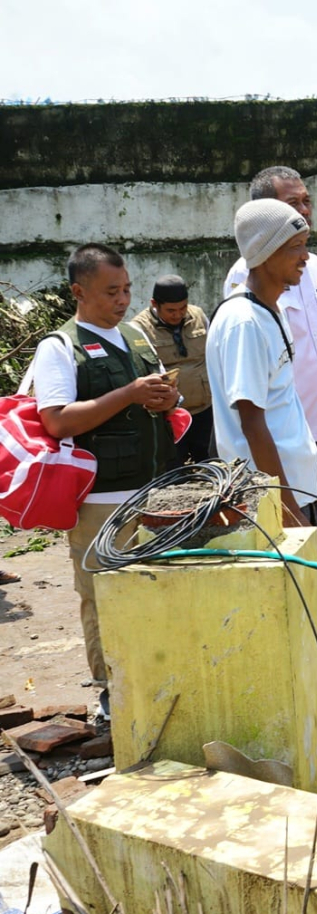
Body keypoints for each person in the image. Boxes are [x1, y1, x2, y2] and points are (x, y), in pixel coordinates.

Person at [30, 243, 178, 718]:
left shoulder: (134, 337)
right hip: (99, 499)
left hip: (150, 490)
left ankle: (155, 679)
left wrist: (162, 398)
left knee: (152, 588)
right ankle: (112, 695)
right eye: (111, 291)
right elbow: (56, 420)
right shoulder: (60, 347)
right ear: (79, 291)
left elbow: (151, 398)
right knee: (102, 595)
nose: (122, 300)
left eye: (127, 289)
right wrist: (129, 394)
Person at [224, 166, 317, 548]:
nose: (304, 211)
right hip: (276, 468)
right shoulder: (245, 308)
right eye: (293, 204)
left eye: (307, 202)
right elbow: (251, 416)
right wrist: (285, 505)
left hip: (311, 440)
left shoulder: (313, 269)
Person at [130, 274, 214, 468]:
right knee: (173, 471)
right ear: (154, 304)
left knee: (212, 467)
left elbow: (213, 354)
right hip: (169, 415)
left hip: (204, 410)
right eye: (170, 310)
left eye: (183, 308)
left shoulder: (199, 316)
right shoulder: (139, 329)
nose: (178, 314)